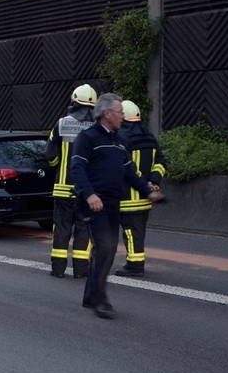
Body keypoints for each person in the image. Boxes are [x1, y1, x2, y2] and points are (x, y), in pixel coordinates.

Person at [70, 93, 163, 319]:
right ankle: (100, 301)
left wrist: (148, 191)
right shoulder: (88, 137)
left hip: (113, 203)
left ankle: (90, 296)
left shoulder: (119, 141)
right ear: (107, 113)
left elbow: (130, 172)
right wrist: (90, 194)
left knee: (107, 249)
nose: (123, 116)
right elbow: (77, 169)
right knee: (106, 247)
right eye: (120, 112)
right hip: (94, 203)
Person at [46, 83, 97, 279]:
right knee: (84, 229)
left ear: (74, 101)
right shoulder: (97, 128)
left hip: (63, 189)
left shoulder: (62, 123)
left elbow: (51, 155)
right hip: (87, 191)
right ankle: (81, 271)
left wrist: (60, 165)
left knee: (62, 228)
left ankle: (58, 270)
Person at [116, 100, 168, 277]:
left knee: (130, 233)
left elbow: (126, 166)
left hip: (128, 196)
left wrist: (142, 183)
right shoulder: (149, 136)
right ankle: (136, 262)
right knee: (138, 232)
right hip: (147, 196)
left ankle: (135, 266)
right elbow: (160, 163)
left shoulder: (122, 136)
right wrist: (153, 181)